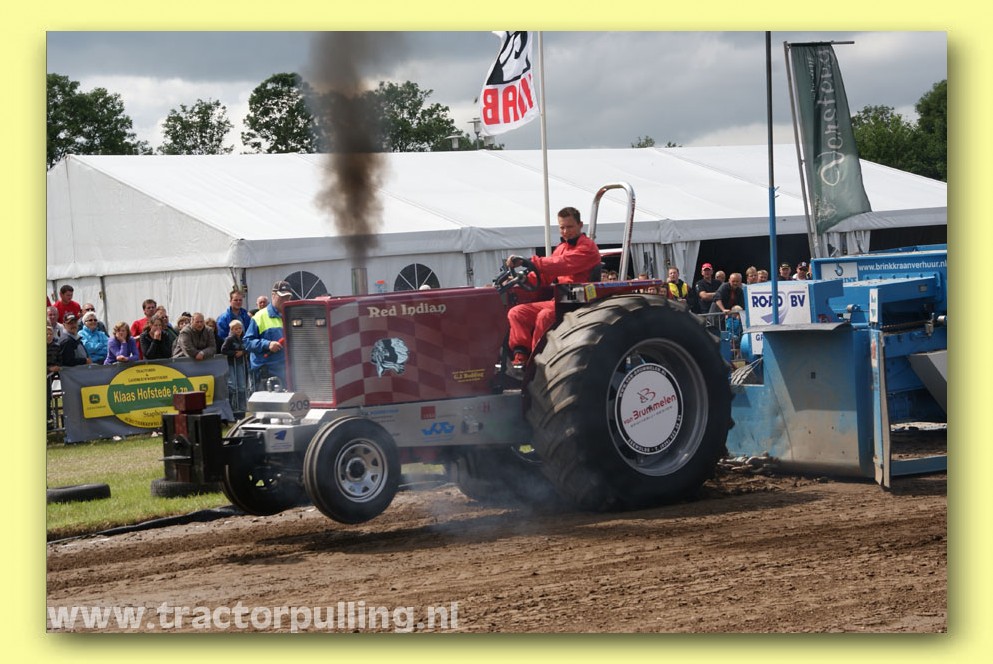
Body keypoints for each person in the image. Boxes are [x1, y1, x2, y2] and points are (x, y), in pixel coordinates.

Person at [505, 206, 601, 365]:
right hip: (562, 297)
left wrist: (530, 262)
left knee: (545, 315)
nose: (565, 231)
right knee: (517, 312)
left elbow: (562, 264)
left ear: (580, 225)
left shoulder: (587, 247)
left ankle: (536, 362)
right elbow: (545, 275)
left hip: (579, 296)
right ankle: (520, 356)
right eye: (562, 227)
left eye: (569, 227)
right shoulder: (562, 248)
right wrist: (523, 280)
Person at [244, 281, 293, 386]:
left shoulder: (292, 315)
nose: (285, 300)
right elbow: (247, 342)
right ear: (273, 295)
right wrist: (267, 344)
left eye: (288, 297)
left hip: (289, 372)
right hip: (267, 373)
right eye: (282, 297)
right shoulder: (259, 317)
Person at [221, 319, 249, 413]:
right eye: (236, 329)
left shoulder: (244, 338)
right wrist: (234, 353)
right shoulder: (229, 339)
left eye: (240, 328)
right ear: (232, 330)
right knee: (232, 385)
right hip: (231, 364)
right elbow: (223, 350)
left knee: (242, 385)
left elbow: (248, 348)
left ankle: (242, 406)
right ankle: (232, 406)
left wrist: (243, 352)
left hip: (241, 363)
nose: (238, 330)